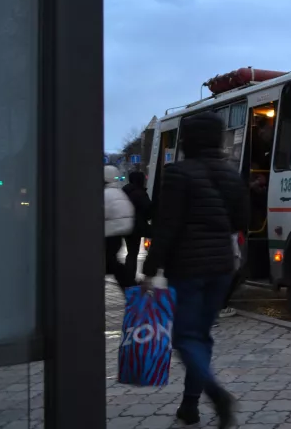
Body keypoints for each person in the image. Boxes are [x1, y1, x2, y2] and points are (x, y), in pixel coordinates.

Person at [141, 112, 248, 429]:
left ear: (187, 140)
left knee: (185, 337)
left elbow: (166, 226)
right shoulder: (231, 175)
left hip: (187, 267)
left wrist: (149, 269)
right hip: (222, 268)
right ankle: (189, 406)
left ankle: (217, 396)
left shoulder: (178, 174)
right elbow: (242, 220)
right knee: (200, 336)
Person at [104, 165, 135, 293]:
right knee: (111, 263)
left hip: (108, 234)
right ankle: (131, 286)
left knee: (110, 264)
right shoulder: (119, 192)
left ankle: (131, 286)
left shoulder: (105, 194)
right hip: (118, 234)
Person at [121, 171, 152, 286]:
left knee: (131, 253)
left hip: (125, 225)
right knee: (133, 253)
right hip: (136, 227)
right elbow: (149, 211)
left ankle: (128, 277)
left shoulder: (124, 191)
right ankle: (130, 278)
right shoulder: (140, 193)